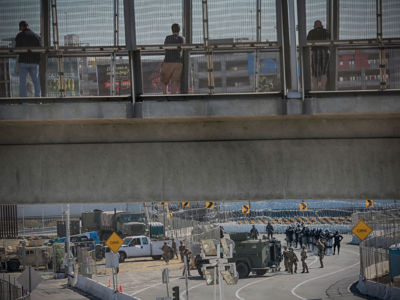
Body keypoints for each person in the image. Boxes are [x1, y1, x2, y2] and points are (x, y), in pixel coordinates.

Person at [15, 21, 42, 97]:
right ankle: (38, 99)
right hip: (34, 62)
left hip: (23, 61)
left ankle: (24, 101)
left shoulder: (19, 36)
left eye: (20, 27)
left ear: (22, 27)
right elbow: (40, 49)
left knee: (22, 82)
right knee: (36, 81)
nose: (19, 29)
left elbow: (17, 49)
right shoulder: (36, 36)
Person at [160, 23, 184, 94]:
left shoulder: (168, 38)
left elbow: (165, 48)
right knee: (175, 81)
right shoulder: (181, 38)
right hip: (178, 61)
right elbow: (180, 49)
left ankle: (165, 95)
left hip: (168, 61)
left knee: (164, 80)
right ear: (179, 30)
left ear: (172, 30)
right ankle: (173, 95)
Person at [307, 20, 330, 91]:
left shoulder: (311, 32)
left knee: (314, 72)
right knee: (324, 71)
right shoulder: (326, 31)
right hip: (325, 51)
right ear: (321, 25)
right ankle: (323, 87)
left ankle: (315, 88)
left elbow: (307, 42)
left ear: (314, 26)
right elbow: (330, 41)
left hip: (315, 52)